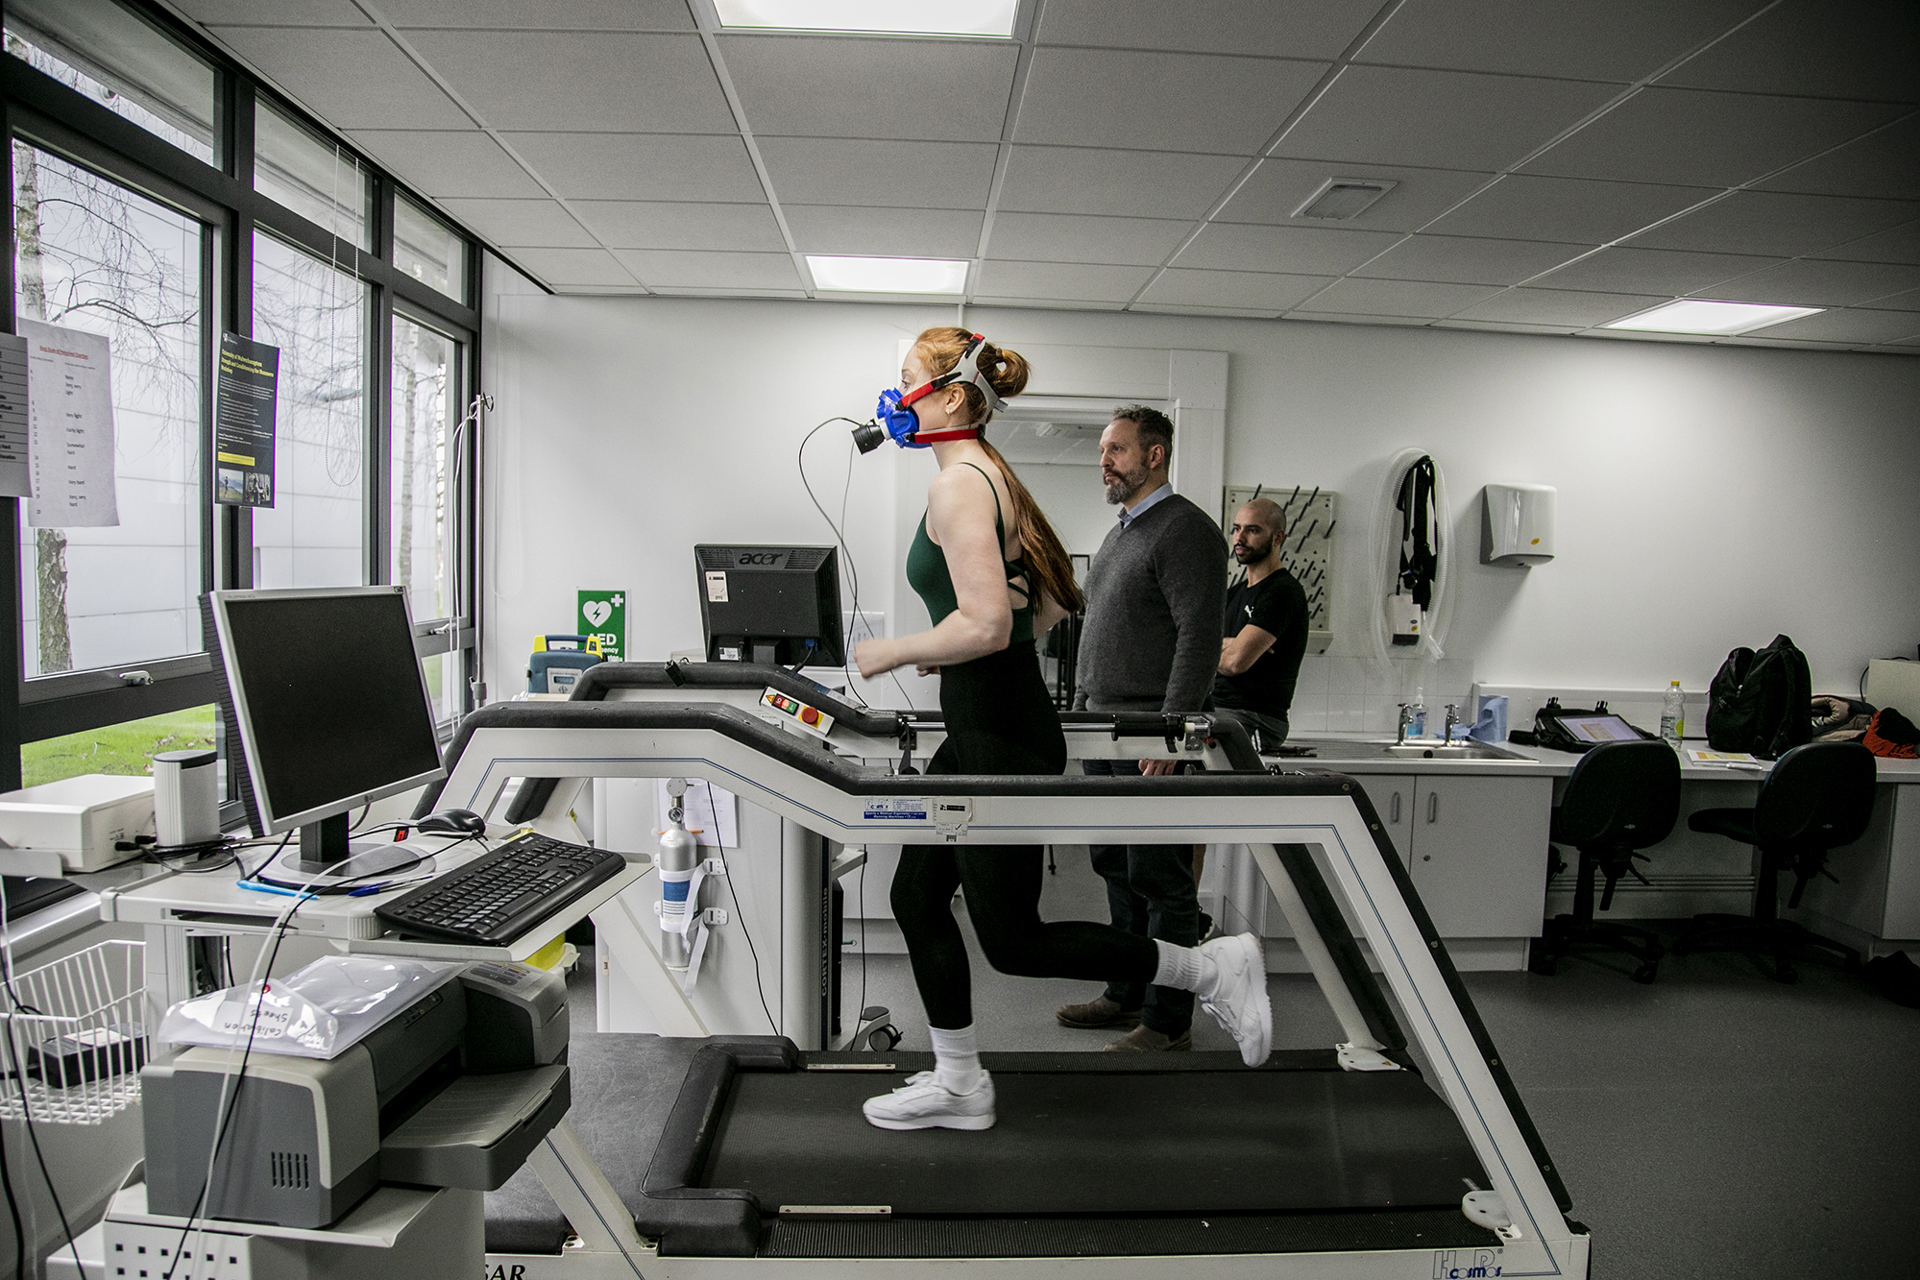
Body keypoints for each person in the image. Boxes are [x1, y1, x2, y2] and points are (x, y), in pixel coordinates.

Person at [852, 330, 1269, 1131]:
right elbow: (1047, 605)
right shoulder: (990, 475)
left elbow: (986, 624)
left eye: (905, 379)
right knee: (916, 894)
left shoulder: (959, 484)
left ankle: (1211, 971)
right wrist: (957, 648)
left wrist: (894, 651)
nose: (894, 393)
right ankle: (959, 1080)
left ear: (949, 395)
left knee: (1014, 941)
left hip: (999, 727)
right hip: (989, 717)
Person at [1056, 406, 1227, 1053]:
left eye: (1117, 450)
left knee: (1161, 879)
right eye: (1103, 449)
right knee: (1115, 868)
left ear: (1154, 455)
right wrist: (1081, 713)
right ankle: (1125, 991)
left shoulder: (1185, 530)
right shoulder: (1119, 534)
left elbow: (1198, 638)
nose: (1104, 460)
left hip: (1149, 731)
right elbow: (1099, 633)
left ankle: (1167, 1020)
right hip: (1104, 729)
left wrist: (1172, 732)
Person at [1215, 497, 1310, 753]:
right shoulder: (1233, 594)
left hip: (1254, 719)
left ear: (1277, 537)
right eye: (1237, 529)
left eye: (1253, 530)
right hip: (1218, 710)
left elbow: (1234, 663)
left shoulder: (1282, 592)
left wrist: (1217, 650)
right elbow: (1191, 647)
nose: (1240, 538)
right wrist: (1228, 645)